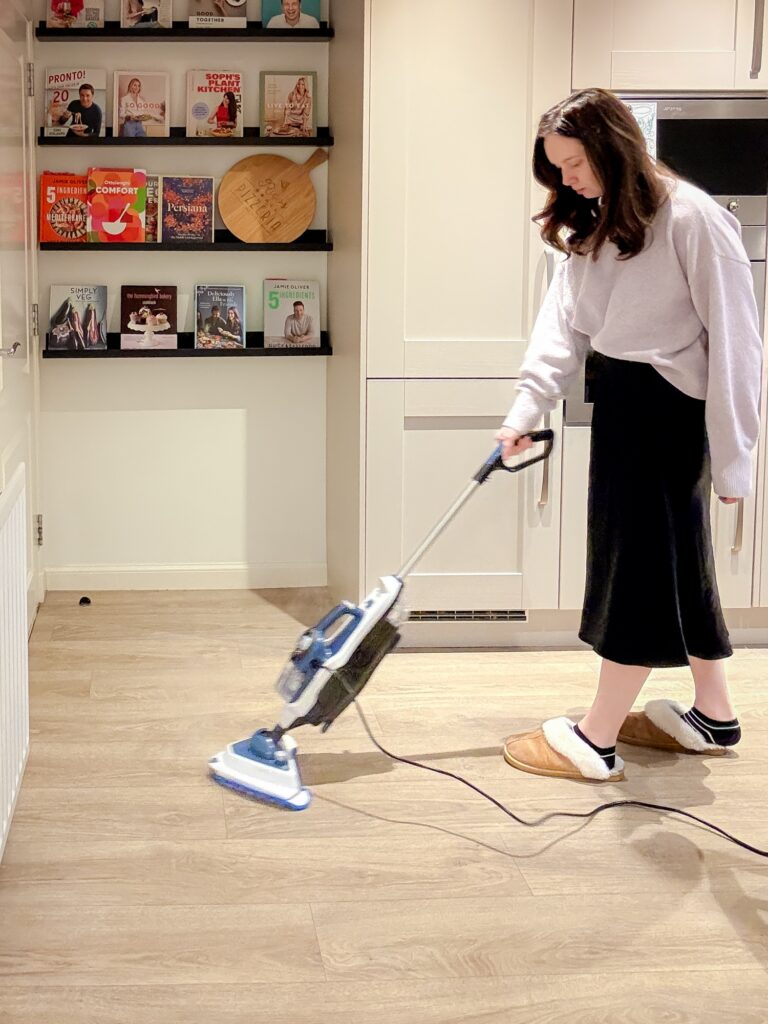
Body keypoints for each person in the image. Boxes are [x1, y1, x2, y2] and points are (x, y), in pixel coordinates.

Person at [499, 88, 762, 783]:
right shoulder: (597, 221)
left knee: (637, 567)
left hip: (668, 411)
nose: (567, 181)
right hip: (621, 399)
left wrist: (734, 461)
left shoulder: (694, 219)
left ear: (613, 147)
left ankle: (596, 736)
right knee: (675, 560)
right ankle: (714, 713)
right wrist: (525, 411)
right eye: (557, 168)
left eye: (575, 163)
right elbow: (562, 324)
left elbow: (738, 344)